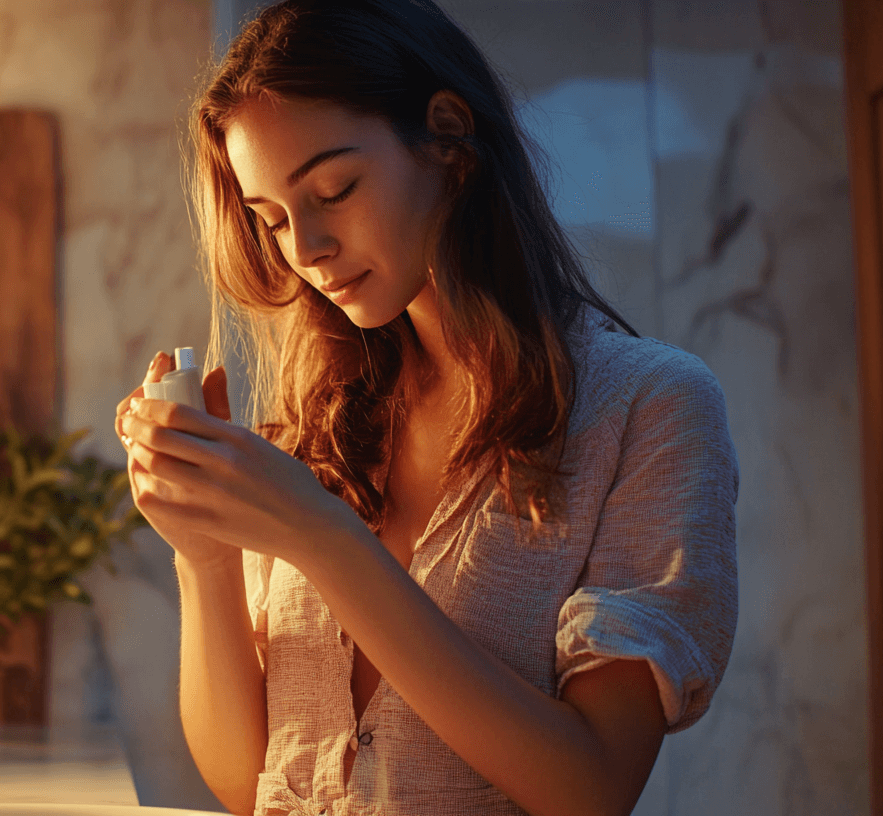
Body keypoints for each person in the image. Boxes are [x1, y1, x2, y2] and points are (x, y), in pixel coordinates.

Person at [114, 1, 738, 814]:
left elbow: (592, 787)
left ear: (448, 138)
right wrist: (204, 556)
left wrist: (325, 538)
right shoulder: (319, 428)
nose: (305, 249)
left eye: (333, 190)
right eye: (271, 219)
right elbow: (249, 781)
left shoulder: (649, 409)